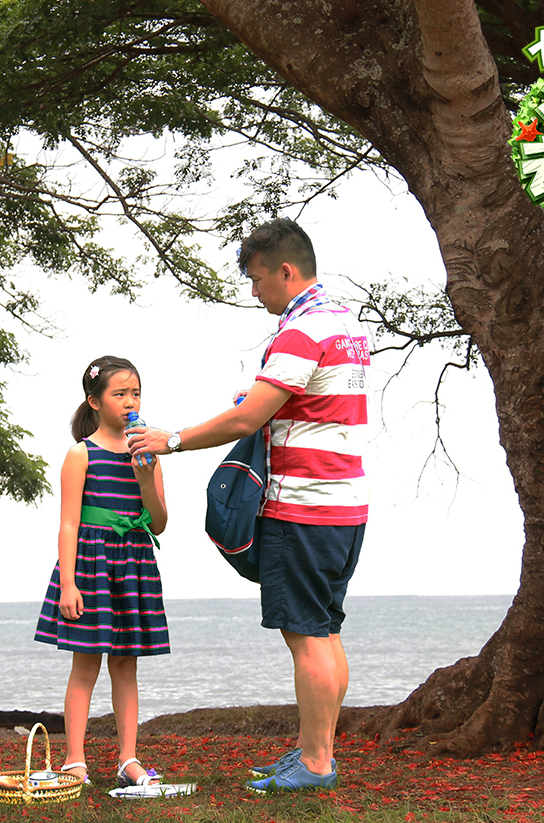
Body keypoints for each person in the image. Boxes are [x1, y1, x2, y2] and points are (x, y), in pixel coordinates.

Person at [129, 218, 370, 794]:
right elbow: (306, 402)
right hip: (346, 505)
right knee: (326, 632)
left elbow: (246, 418)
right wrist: (263, 402)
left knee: (306, 636)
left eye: (258, 280)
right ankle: (318, 751)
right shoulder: (342, 325)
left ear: (287, 272)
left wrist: (174, 439)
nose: (254, 291)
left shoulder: (300, 331)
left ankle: (315, 765)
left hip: (303, 506)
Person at [32, 355, 170, 789]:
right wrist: (68, 584)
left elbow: (160, 522)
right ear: (94, 401)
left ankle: (128, 758)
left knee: (127, 667)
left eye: (136, 392)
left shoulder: (148, 451)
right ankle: (75, 760)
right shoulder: (81, 454)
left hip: (132, 564)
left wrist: (145, 477)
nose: (130, 401)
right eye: (120, 393)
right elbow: (68, 523)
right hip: (91, 566)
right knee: (85, 665)